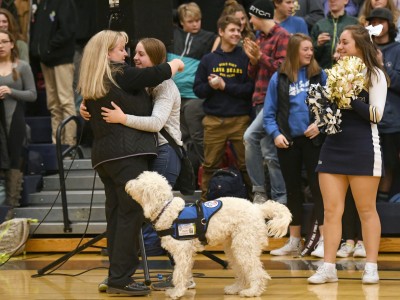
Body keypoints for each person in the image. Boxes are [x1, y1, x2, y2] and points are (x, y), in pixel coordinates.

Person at [77, 30, 184, 296]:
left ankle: (116, 275)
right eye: (122, 49)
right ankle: (121, 279)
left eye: (130, 50)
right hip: (127, 155)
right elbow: (160, 72)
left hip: (105, 157)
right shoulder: (119, 74)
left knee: (116, 217)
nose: (126, 55)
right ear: (106, 53)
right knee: (129, 217)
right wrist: (176, 63)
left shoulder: (97, 79)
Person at [308, 24, 389, 285]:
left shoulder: (375, 74)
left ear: (359, 46)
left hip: (364, 146)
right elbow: (332, 113)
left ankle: (371, 266)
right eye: (339, 42)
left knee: (366, 210)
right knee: (331, 211)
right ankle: (328, 266)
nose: (339, 47)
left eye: (345, 42)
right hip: (333, 146)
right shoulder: (334, 73)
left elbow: (376, 115)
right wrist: (320, 113)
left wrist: (351, 97)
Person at [264, 33, 326, 257]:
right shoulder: (278, 78)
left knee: (319, 189)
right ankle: (294, 240)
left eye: (311, 49)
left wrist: (319, 124)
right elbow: (268, 115)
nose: (310, 52)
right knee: (293, 191)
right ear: (293, 51)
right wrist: (275, 134)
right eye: (305, 49)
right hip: (288, 142)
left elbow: (331, 108)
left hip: (313, 140)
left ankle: (323, 241)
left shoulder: (320, 75)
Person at [194, 15, 254, 200]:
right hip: (214, 121)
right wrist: (210, 87)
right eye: (232, 30)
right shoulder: (208, 59)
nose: (236, 34)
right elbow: (198, 90)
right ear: (221, 32)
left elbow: (250, 89)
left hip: (240, 120)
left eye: (239, 30)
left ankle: (252, 204)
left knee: (247, 165)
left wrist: (224, 86)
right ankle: (204, 205)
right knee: (210, 165)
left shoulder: (245, 58)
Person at [243, 0, 290, 204]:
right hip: (259, 98)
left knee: (251, 138)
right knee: (268, 152)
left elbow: (283, 70)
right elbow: (252, 74)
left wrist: (259, 56)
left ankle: (267, 194)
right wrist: (253, 60)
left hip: (275, 101)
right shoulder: (259, 37)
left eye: (252, 16)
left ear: (259, 15)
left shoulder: (283, 36)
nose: (250, 20)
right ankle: (274, 197)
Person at [168, 2, 217, 186]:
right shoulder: (173, 34)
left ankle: (207, 168)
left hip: (195, 95)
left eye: (198, 20)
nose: (195, 24)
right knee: (180, 136)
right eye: (190, 21)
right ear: (181, 22)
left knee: (195, 133)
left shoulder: (209, 37)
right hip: (174, 94)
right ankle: (185, 177)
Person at [30, 0, 77, 146]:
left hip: (62, 59)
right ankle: (56, 145)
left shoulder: (64, 3)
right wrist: (38, 51)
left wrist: (48, 48)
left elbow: (67, 31)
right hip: (45, 60)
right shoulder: (43, 5)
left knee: (65, 102)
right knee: (53, 105)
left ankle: (69, 145)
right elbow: (37, 33)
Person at [0, 29, 36, 217]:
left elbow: (32, 94)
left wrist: (10, 91)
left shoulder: (22, 66)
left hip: (15, 119)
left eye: (4, 41)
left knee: (14, 159)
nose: (1, 45)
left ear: (12, 44)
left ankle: (11, 207)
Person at [368, 8, 400, 201]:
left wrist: (381, 65)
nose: (377, 25)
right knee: (369, 164)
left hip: (391, 119)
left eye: (382, 21)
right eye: (373, 21)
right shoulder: (364, 48)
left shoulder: (398, 50)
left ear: (390, 25)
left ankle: (383, 202)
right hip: (367, 117)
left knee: (389, 163)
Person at [310, 0, 359, 69]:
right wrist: (318, 45)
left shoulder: (354, 23)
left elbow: (361, 49)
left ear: (346, 1)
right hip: (323, 74)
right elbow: (310, 56)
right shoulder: (319, 25)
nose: (332, 1)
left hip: (348, 73)